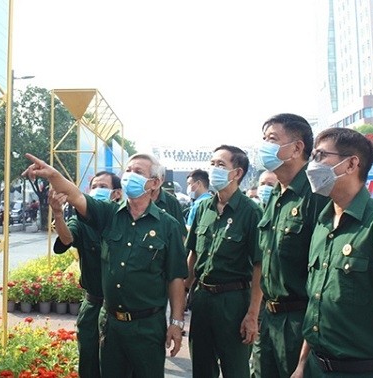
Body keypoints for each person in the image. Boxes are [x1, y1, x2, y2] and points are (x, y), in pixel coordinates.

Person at [23, 152, 187, 378]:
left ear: (155, 183)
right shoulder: (108, 214)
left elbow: (176, 277)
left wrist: (176, 323)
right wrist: (52, 174)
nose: (130, 176)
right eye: (128, 171)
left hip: (148, 327)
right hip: (111, 325)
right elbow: (74, 195)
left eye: (138, 172)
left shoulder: (169, 226)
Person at [293, 127, 373, 377]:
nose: (312, 165)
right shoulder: (323, 223)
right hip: (315, 368)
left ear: (351, 164)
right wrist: (302, 364)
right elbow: (317, 303)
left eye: (320, 156)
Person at [255, 113, 330, 378]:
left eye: (272, 139)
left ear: (297, 147)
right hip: (270, 317)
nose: (264, 146)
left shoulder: (316, 193)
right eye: (263, 139)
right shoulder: (276, 194)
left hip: (301, 321)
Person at [185, 145, 263, 378]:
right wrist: (184, 294)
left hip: (233, 302)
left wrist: (252, 314)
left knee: (235, 368)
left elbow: (260, 266)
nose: (213, 169)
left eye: (220, 165)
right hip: (202, 299)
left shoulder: (251, 212)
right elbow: (193, 255)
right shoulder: (202, 209)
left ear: (237, 173)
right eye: (212, 164)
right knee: (201, 366)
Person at [49, 171, 122, 378]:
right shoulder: (80, 222)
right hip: (93, 305)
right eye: (94, 186)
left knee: (119, 366)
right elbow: (66, 239)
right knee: (89, 364)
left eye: (103, 186)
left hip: (120, 308)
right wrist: (58, 215)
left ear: (116, 193)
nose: (97, 190)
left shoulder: (124, 220)